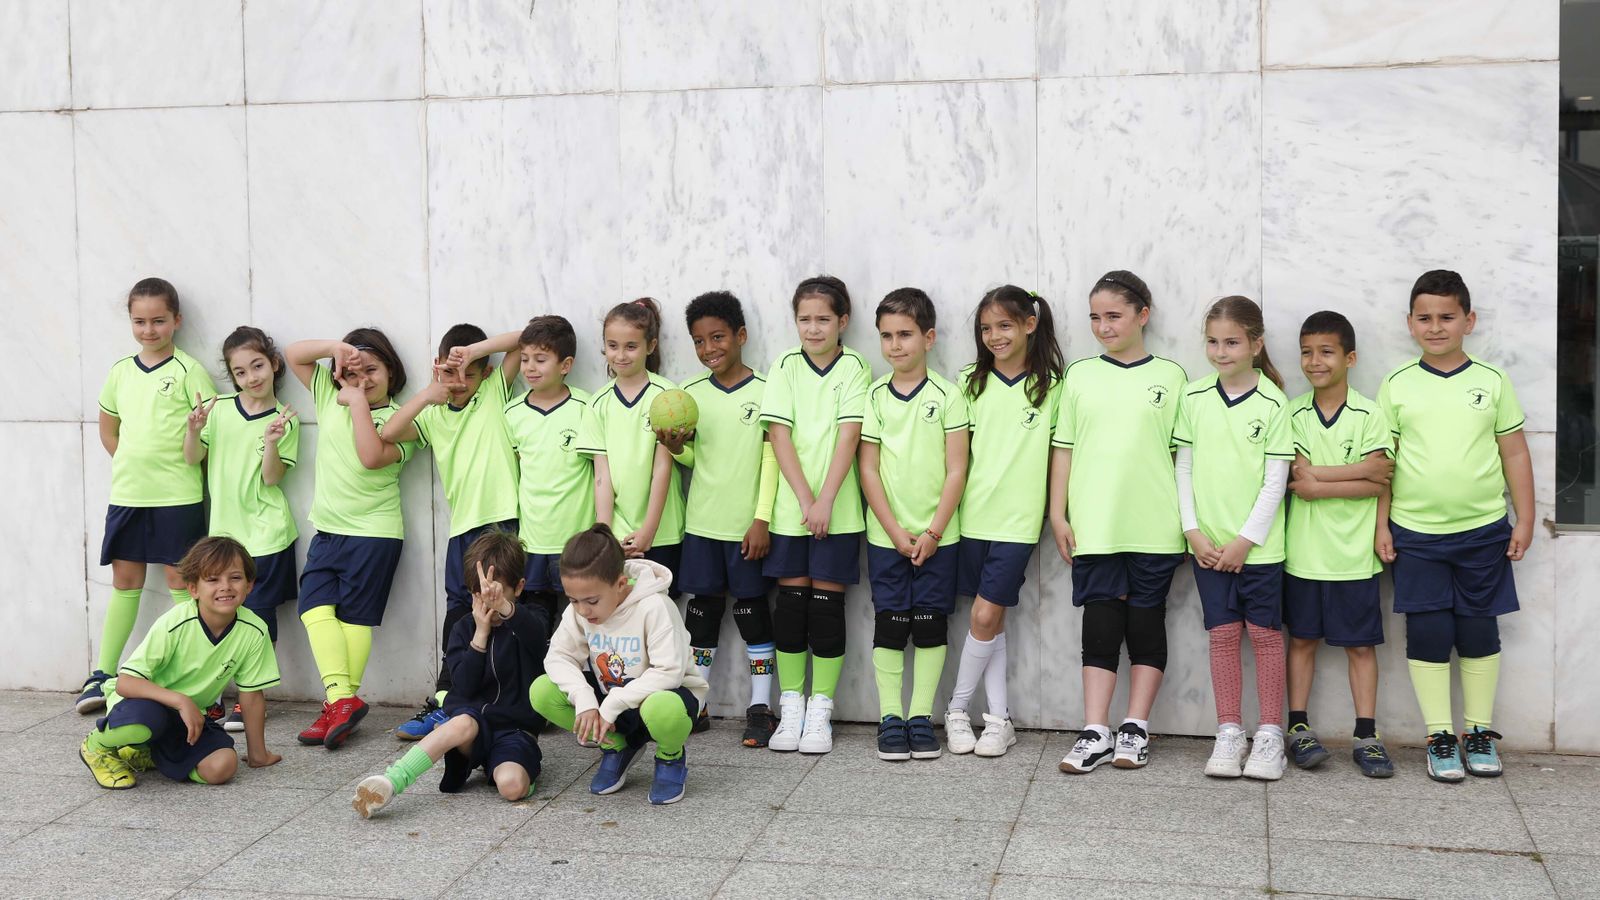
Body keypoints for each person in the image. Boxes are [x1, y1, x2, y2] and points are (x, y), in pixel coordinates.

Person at [1376, 270, 1534, 782]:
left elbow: (1514, 452)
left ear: (1469, 320)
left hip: (1483, 530)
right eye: (1425, 317)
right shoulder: (1397, 384)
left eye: (1447, 317)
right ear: (1410, 323)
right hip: (1415, 534)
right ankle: (1440, 736)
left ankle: (1479, 732)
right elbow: (1385, 464)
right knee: (1428, 629)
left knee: (1476, 627)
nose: (1436, 327)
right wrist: (1382, 526)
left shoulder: (1491, 381)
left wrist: (1525, 518)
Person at [1049, 272, 1189, 773]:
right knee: (1101, 623)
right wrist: (1057, 513)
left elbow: (1185, 459)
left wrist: (1191, 524)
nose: (1103, 326)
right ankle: (1095, 730)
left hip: (1155, 525)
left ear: (1142, 315)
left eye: (1114, 316)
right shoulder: (1080, 376)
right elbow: (1062, 449)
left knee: (1146, 623)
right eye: (1095, 317)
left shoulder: (1172, 378)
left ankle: (1135, 728)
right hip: (1095, 526)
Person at [78, 277, 218, 714]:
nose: (149, 330)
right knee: (125, 582)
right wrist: (130, 464)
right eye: (140, 321)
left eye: (158, 320)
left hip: (178, 498)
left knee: (182, 584)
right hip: (128, 496)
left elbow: (208, 436)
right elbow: (108, 426)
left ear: (176, 320)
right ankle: (101, 675)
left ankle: (199, 677)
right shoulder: (120, 371)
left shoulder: (189, 370)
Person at [378, 324, 522, 740]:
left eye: (469, 374)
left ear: (486, 372)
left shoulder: (494, 392)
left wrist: (471, 351)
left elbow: (526, 335)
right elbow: (388, 432)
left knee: (502, 612)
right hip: (462, 531)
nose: (459, 384)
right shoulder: (435, 412)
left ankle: (499, 702)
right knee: (459, 614)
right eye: (450, 373)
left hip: (500, 523)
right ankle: (447, 699)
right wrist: (428, 392)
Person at [1175, 296, 1293, 781]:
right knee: (1222, 637)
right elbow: (1182, 466)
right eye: (1213, 342)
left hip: (1259, 550)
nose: (1221, 352)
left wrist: (1246, 540)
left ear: (1255, 344)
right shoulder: (1194, 397)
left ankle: (1269, 735)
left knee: (1265, 637)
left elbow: (1275, 479)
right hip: (1207, 547)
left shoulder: (1274, 403)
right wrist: (1193, 531)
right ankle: (1228, 732)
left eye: (1231, 342)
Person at [285, 329, 420, 749]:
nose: (363, 379)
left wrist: (358, 402)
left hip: (374, 534)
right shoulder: (329, 394)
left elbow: (370, 456)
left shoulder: (402, 420)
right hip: (328, 529)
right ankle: (343, 700)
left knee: (354, 620)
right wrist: (333, 349)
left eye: (373, 370)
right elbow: (293, 353)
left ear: (392, 372)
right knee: (313, 610)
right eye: (355, 371)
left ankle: (337, 706)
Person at [658, 292, 781, 746]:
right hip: (702, 527)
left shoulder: (767, 391)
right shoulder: (687, 396)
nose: (709, 348)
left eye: (718, 337)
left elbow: (773, 461)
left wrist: (761, 519)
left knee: (752, 616)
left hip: (747, 528)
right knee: (702, 616)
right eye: (698, 341)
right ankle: (698, 703)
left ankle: (761, 707)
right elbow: (694, 458)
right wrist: (674, 448)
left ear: (740, 336)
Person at [354, 532, 547, 817]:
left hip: (515, 731)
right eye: (481, 595)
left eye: (497, 594)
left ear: (518, 588)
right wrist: (480, 635)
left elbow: (538, 636)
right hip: (472, 728)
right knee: (461, 722)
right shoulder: (464, 628)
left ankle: (500, 766)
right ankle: (392, 780)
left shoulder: (531, 618)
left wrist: (506, 610)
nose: (489, 604)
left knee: (511, 788)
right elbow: (464, 686)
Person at [946, 285, 1062, 758]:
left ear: (1030, 325)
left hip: (1018, 522)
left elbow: (1061, 459)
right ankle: (999, 719)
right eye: (986, 328)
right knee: (989, 622)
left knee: (985, 615)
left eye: (1005, 326)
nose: (994, 336)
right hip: (971, 519)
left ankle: (955, 711)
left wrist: (1057, 515)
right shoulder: (968, 381)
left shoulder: (1054, 386)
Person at [759, 275, 870, 755]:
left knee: (826, 608)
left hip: (838, 510)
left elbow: (850, 435)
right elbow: (779, 437)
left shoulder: (855, 367)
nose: (813, 328)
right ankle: (791, 706)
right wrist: (805, 501)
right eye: (805, 319)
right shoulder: (784, 364)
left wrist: (826, 500)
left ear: (842, 321)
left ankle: (820, 708)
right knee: (790, 608)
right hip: (792, 510)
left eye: (823, 318)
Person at [1283, 311, 1397, 777]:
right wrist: (1357, 472)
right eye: (1307, 352)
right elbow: (1297, 476)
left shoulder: (1372, 413)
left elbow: (1381, 479)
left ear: (1349, 357)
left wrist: (1324, 482)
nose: (1315, 361)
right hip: (1304, 553)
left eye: (1326, 351)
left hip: (1355, 556)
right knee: (1303, 640)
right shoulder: (1290, 413)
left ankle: (1367, 735)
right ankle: (1297, 728)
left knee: (1360, 647)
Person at [860, 288, 969, 761]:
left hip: (939, 536)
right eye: (886, 336)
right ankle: (890, 717)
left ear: (928, 337)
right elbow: (867, 469)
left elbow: (956, 470)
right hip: (887, 536)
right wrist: (894, 530)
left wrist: (933, 532)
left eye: (904, 334)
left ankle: (921, 717)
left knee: (928, 623)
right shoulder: (874, 397)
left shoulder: (949, 395)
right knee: (890, 622)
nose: (895, 345)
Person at [78, 537, 281, 789]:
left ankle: (148, 752)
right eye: (213, 579)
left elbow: (251, 695)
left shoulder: (254, 630)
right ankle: (97, 746)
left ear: (249, 585)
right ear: (193, 588)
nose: (225, 587)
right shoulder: (175, 622)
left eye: (235, 578)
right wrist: (181, 700)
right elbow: (126, 683)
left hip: (189, 717)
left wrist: (258, 754)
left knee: (222, 767)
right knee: (143, 724)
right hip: (143, 703)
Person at [529, 525, 709, 805]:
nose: (582, 611)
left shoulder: (655, 606)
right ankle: (616, 746)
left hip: (667, 698)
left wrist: (611, 705)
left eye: (591, 601)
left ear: (621, 585)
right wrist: (585, 699)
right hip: (613, 705)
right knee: (541, 691)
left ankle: (670, 757)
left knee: (661, 708)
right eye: (573, 600)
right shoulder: (579, 611)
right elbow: (558, 656)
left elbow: (669, 672)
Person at [183, 326, 300, 731]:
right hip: (223, 537)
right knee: (213, 614)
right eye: (241, 371)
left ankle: (249, 699)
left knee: (258, 622)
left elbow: (272, 479)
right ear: (232, 377)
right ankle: (211, 698)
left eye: (258, 366)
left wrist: (271, 440)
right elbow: (192, 458)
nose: (252, 377)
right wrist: (194, 428)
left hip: (267, 535)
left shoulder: (285, 420)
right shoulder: (219, 410)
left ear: (274, 365)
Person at [577, 299, 686, 576]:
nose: (621, 355)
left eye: (631, 346)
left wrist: (649, 530)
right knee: (618, 609)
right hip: (617, 535)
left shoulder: (666, 396)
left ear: (650, 346)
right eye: (612, 346)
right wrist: (605, 534)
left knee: (658, 610)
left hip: (661, 531)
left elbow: (663, 467)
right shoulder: (597, 403)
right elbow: (601, 476)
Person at [502, 315, 593, 624]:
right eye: (525, 359)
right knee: (535, 619)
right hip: (532, 540)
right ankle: (538, 673)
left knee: (578, 620)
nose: (529, 367)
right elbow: (515, 470)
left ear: (565, 365)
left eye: (540, 359)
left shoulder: (586, 408)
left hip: (576, 541)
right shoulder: (512, 413)